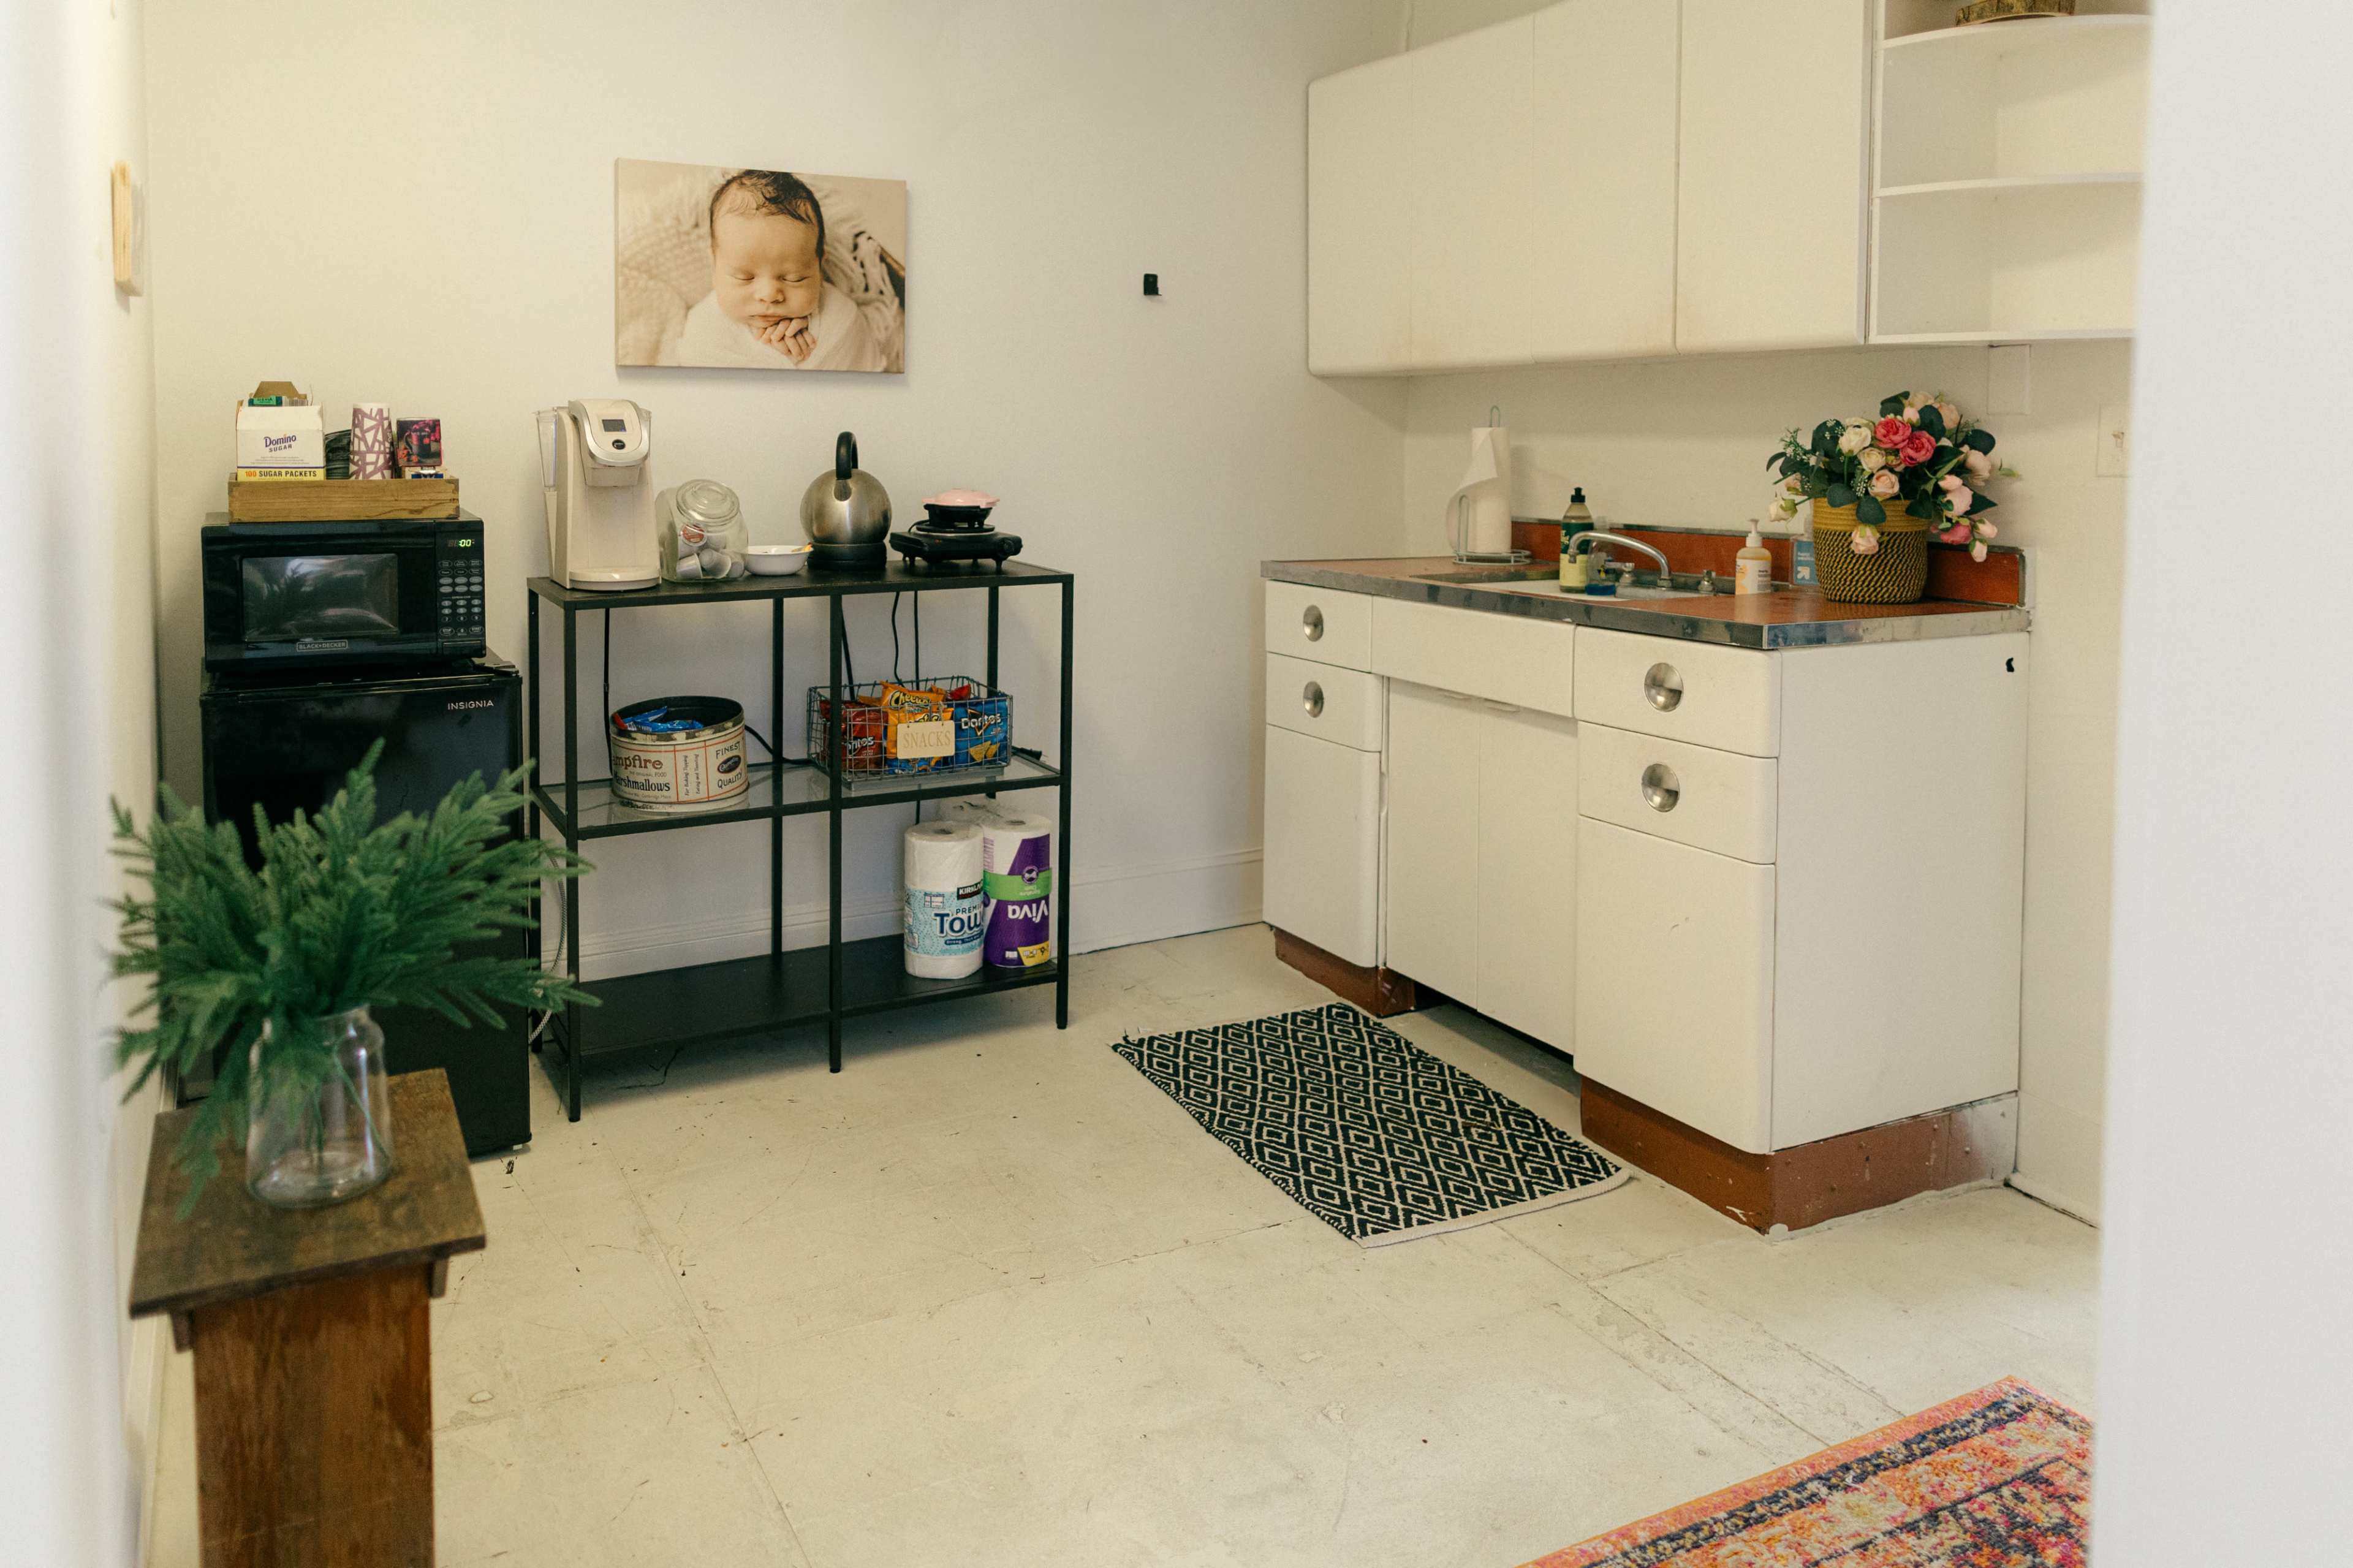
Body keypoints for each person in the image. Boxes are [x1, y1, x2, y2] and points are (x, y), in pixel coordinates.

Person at [672, 169, 885, 371]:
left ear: (820, 268)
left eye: (795, 278)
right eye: (744, 277)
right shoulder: (704, 328)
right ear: (714, 266)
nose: (769, 296)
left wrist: (814, 340)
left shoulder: (841, 316)